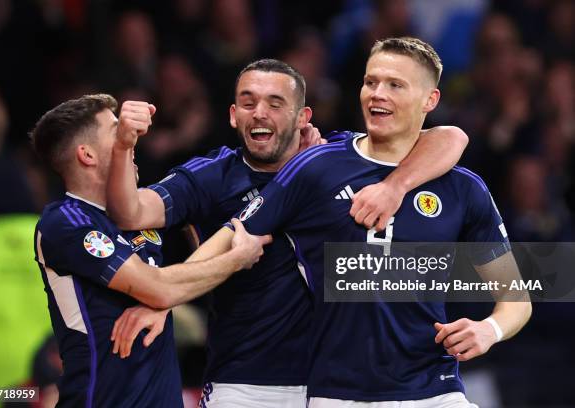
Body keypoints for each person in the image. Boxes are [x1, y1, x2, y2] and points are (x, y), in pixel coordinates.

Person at [184, 39, 532, 407]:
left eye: (395, 85)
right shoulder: (318, 167)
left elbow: (517, 300)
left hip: (436, 390)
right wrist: (165, 296)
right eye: (371, 82)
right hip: (339, 394)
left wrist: (488, 329)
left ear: (430, 100)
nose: (377, 94)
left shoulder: (463, 188)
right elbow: (233, 232)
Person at [107, 59, 470, 407]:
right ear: (234, 115)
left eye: (275, 103)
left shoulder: (341, 159)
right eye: (248, 103)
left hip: (335, 383)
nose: (260, 113)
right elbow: (129, 213)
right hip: (245, 380)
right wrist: (124, 146)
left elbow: (450, 137)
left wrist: (395, 186)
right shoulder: (211, 176)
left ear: (302, 117)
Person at [30, 94, 270, 407]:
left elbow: (184, 273)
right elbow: (159, 288)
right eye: (116, 133)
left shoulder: (139, 211)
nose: (130, 142)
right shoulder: (65, 221)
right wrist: (238, 259)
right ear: (86, 154)